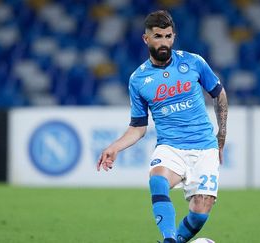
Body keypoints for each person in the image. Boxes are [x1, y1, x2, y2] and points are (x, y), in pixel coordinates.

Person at [97, 10, 228, 243]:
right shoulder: (138, 79)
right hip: (171, 147)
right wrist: (115, 147)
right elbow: (138, 127)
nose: (164, 42)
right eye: (158, 36)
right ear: (146, 39)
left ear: (174, 37)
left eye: (168, 36)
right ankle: (168, 239)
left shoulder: (194, 62)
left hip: (204, 146)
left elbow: (220, 95)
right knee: (157, 180)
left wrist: (221, 137)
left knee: (199, 213)